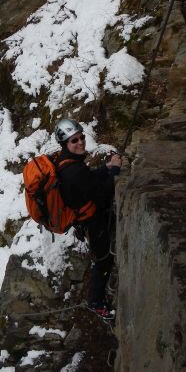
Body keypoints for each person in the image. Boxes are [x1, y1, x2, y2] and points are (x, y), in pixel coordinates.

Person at [53, 119, 122, 319]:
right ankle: (96, 302)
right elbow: (100, 193)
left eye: (81, 137)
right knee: (103, 259)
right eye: (74, 140)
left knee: (102, 257)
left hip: (86, 217)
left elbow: (88, 179)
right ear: (65, 144)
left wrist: (106, 167)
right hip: (92, 221)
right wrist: (115, 170)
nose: (81, 142)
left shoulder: (67, 162)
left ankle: (99, 296)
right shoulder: (73, 169)